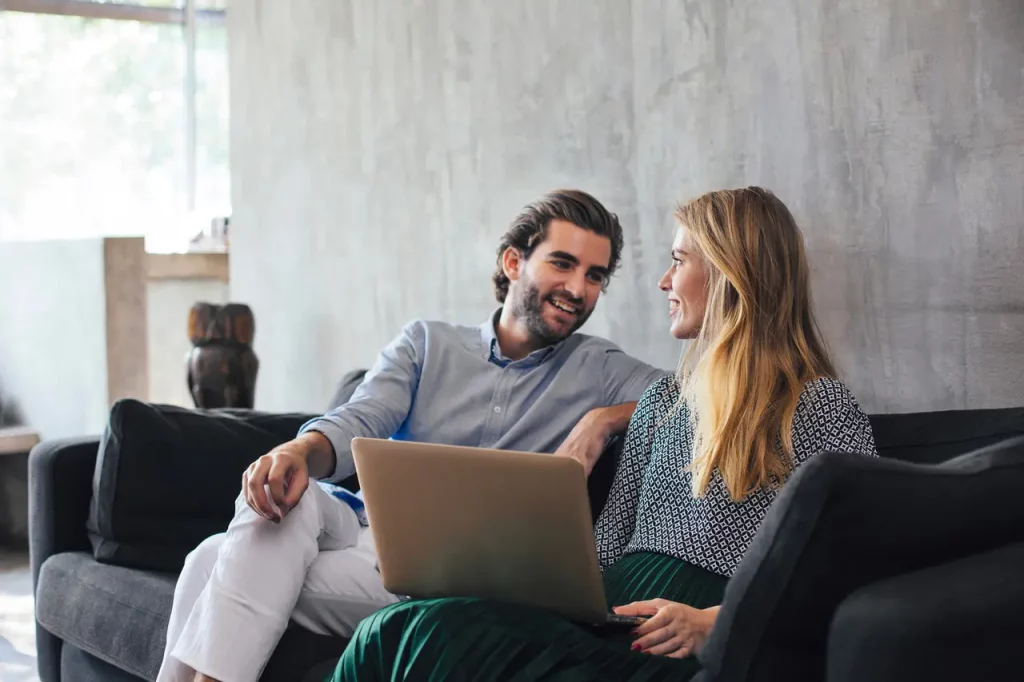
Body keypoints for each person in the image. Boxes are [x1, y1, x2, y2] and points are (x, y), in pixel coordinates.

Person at [330, 186, 879, 681]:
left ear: (731, 272)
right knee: (396, 626)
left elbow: (853, 568)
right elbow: (604, 552)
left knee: (424, 634)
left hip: (692, 633)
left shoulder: (817, 405)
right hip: (610, 617)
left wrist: (718, 620)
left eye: (678, 261)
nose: (664, 281)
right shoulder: (663, 403)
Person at [156, 189, 669, 682]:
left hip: (449, 577)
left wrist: (602, 420)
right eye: (563, 263)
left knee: (209, 560)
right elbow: (363, 416)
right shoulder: (428, 343)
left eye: (595, 275)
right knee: (279, 502)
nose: (579, 289)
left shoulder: (598, 368)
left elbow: (701, 394)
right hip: (361, 529)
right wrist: (296, 449)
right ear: (514, 263)